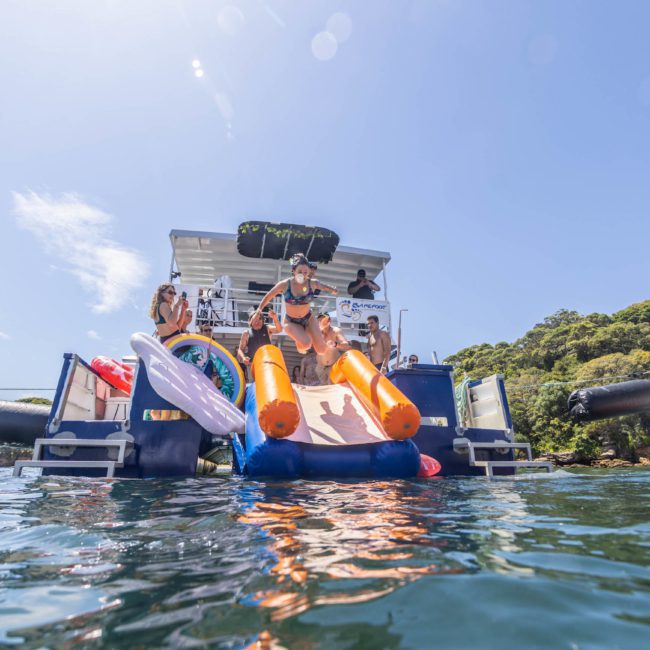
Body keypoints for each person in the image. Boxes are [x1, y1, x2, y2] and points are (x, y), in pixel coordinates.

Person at [251, 254, 338, 354]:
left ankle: (308, 333)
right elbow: (269, 295)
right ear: (293, 271)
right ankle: (301, 341)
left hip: (308, 318)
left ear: (309, 272)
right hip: (291, 322)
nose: (303, 274)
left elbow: (323, 287)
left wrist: (333, 290)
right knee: (306, 344)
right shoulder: (285, 284)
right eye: (299, 272)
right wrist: (258, 311)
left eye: (305, 272)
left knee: (322, 351)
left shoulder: (313, 283)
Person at [315, 313, 351, 384]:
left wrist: (335, 344)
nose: (322, 322)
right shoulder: (316, 332)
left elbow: (347, 346)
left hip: (333, 366)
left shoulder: (336, 331)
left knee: (331, 387)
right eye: (320, 320)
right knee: (323, 389)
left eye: (324, 320)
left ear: (329, 321)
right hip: (320, 367)